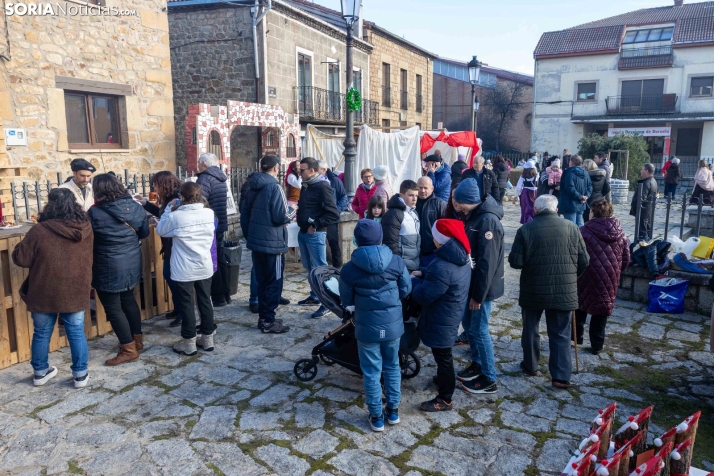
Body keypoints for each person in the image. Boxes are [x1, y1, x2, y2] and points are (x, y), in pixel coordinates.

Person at [12, 189, 93, 388]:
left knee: (41, 332)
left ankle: (40, 372)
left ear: (50, 205)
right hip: (75, 287)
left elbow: (21, 259)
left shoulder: (40, 230)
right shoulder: (86, 228)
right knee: (75, 332)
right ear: (74, 204)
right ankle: (80, 375)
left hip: (43, 288)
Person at [508, 195, 589, 388]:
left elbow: (515, 262)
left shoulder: (525, 230)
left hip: (533, 289)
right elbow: (584, 261)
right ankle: (560, 376)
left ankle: (530, 365)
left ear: (535, 210)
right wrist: (571, 276)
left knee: (530, 329)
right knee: (561, 332)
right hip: (564, 289)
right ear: (556, 209)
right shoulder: (572, 228)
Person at [339, 220, 411, 431]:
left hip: (367, 326)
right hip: (392, 326)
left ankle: (376, 416)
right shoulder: (396, 262)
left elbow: (346, 299)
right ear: (380, 237)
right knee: (392, 366)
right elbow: (406, 289)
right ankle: (394, 411)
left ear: (357, 241)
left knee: (371, 371)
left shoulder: (349, 269)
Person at [89, 174, 150, 366]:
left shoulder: (94, 213)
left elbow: (87, 240)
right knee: (128, 300)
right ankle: (137, 340)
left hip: (108, 266)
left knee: (114, 309)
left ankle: (128, 349)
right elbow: (144, 233)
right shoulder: (136, 207)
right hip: (131, 261)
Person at [411, 219, 471, 411]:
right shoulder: (459, 255)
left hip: (441, 317)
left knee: (443, 355)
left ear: (440, 240)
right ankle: (444, 379)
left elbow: (424, 295)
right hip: (452, 311)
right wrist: (423, 272)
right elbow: (445, 275)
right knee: (442, 354)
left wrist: (411, 284)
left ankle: (445, 398)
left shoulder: (442, 265)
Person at [451, 178, 504, 394]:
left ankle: (489, 378)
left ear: (470, 200)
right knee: (470, 328)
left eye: (460, 203)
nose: (458, 207)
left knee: (480, 330)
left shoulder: (488, 221)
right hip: (471, 286)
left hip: (482, 290)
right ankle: (477, 363)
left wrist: (478, 297)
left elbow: (487, 263)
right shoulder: (473, 216)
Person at [157, 182, 217, 354]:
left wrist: (169, 209)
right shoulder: (208, 213)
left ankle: (189, 342)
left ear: (181, 197)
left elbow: (161, 230)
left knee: (187, 303)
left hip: (184, 267)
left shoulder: (177, 217)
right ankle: (207, 339)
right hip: (203, 263)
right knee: (205, 300)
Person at [240, 155, 295, 334]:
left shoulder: (250, 186)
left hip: (257, 242)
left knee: (262, 280)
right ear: (275, 168)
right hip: (273, 244)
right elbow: (281, 217)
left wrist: (251, 237)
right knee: (274, 281)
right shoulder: (275, 187)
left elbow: (244, 214)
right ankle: (269, 320)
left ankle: (263, 317)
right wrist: (293, 211)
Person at [575, 199, 630, 355]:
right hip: (609, 277)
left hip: (586, 274)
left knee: (580, 305)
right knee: (602, 309)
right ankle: (597, 344)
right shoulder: (620, 233)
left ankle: (576, 338)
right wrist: (617, 271)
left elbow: (577, 254)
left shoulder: (583, 231)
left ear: (593, 212)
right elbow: (626, 258)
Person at [134, 172, 184, 328]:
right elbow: (162, 214)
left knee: (173, 278)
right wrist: (145, 204)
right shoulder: (168, 198)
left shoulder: (176, 199)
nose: (154, 187)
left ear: (163, 184)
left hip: (175, 246)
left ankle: (183, 313)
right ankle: (178, 309)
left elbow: (173, 222)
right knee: (169, 276)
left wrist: (160, 225)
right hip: (169, 245)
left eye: (155, 184)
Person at [296, 157, 340, 319]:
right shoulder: (307, 185)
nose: (299, 173)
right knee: (309, 268)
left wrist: (315, 224)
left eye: (302, 170)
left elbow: (333, 213)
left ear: (312, 171)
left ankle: (328, 303)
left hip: (316, 234)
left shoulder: (322, 186)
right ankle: (315, 296)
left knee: (320, 270)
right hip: (303, 232)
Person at [195, 152, 230, 308]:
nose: (197, 165)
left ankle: (218, 296)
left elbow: (199, 201)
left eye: (198, 162)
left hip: (210, 224)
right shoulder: (219, 176)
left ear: (203, 163)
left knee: (213, 260)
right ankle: (226, 294)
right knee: (220, 259)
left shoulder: (204, 178)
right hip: (219, 222)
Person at [382, 180, 421, 273]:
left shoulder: (414, 213)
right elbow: (390, 243)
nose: (414, 199)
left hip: (415, 265)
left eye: (416, 195)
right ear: (401, 195)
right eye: (411, 195)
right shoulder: (394, 214)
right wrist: (398, 267)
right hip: (402, 267)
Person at [319, 161, 348, 268]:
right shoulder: (314, 182)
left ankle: (337, 266)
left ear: (323, 170)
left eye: (317, 170)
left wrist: (336, 211)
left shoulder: (335, 181)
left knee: (333, 242)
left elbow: (343, 197)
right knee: (319, 243)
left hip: (331, 218)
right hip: (319, 217)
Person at [415, 176, 446, 269]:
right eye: (420, 187)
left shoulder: (440, 204)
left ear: (432, 188)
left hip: (432, 252)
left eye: (425, 188)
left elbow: (445, 229)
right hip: (415, 252)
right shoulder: (412, 203)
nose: (422, 190)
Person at [558, 155, 592, 227]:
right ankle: (581, 238)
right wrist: (585, 197)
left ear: (572, 162)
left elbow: (569, 188)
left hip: (570, 203)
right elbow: (590, 186)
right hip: (581, 202)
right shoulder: (586, 172)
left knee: (571, 226)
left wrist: (582, 197)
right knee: (579, 224)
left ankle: (575, 238)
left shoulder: (569, 172)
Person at [630, 163, 658, 242]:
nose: (641, 171)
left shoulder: (646, 183)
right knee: (646, 229)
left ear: (646, 171)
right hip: (648, 210)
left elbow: (641, 198)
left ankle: (643, 246)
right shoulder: (653, 181)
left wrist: (635, 206)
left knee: (642, 231)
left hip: (643, 210)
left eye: (642, 169)